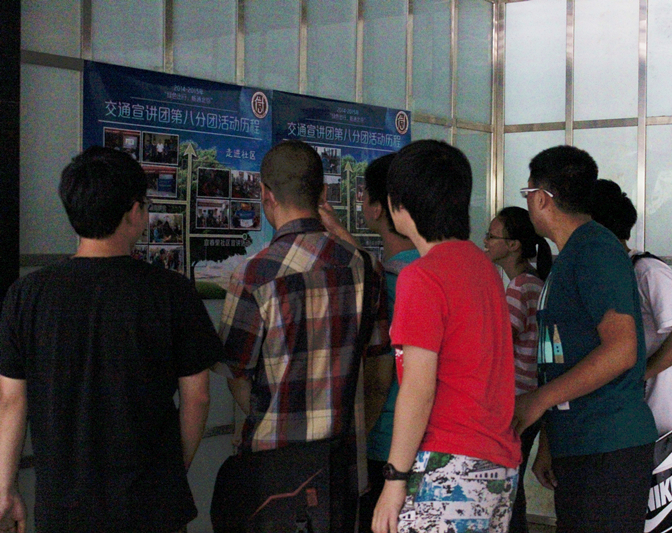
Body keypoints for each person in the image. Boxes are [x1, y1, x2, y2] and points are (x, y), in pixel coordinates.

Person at [0, 146, 221, 532]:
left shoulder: (27, 294)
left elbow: (10, 401)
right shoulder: (171, 291)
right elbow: (197, 397)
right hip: (151, 506)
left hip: (64, 510)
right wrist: (172, 471)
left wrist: (5, 488)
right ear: (134, 212)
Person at [215, 140, 390, 531]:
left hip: (272, 472)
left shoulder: (253, 274)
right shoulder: (366, 268)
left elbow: (236, 375)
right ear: (323, 192)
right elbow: (381, 374)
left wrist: (274, 418)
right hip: (342, 469)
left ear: (266, 194)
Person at [372, 140, 521, 533]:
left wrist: (394, 479)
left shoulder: (421, 277)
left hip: (448, 468)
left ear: (399, 204)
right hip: (497, 466)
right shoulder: (481, 265)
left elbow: (418, 389)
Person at [513, 145, 657, 533]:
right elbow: (561, 358)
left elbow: (622, 350)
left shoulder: (596, 251)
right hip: (579, 442)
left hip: (608, 446)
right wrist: (549, 442)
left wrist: (538, 399)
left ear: (542, 198)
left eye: (527, 194)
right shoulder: (572, 255)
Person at [590, 179, 672, 435]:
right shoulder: (609, 273)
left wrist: (640, 374)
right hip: (626, 417)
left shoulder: (646, 270)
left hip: (659, 418)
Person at [355, 153, 421, 533]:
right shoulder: (434, 270)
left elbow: (381, 380)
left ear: (379, 208)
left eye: (364, 196)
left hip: (386, 444)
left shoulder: (390, 280)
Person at [484, 206, 552, 533]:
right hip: (532, 397)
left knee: (507, 487)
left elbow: (498, 347)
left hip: (517, 400)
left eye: (491, 236)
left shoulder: (519, 287)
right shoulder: (533, 282)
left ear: (513, 245)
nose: (486, 241)